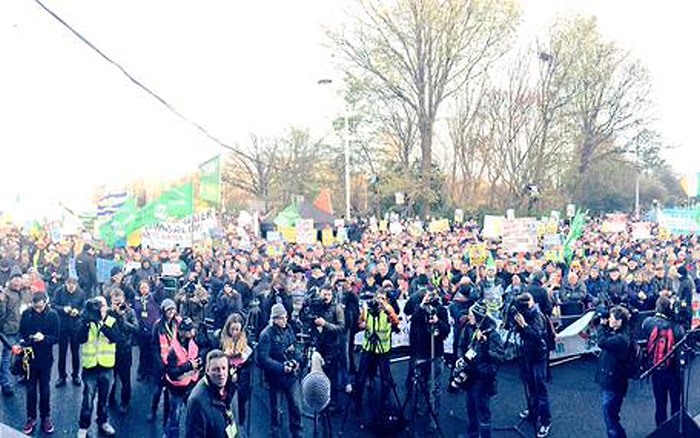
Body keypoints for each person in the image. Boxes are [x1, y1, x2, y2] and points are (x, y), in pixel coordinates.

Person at [457, 301, 506, 438]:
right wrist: (460, 359)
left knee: (483, 411)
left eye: (471, 314)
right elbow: (461, 344)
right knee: (470, 407)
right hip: (469, 374)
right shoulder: (469, 327)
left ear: (478, 316)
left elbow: (501, 357)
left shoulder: (493, 334)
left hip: (483, 378)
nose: (468, 316)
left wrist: (485, 346)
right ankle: (472, 434)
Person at [77, 296, 121, 438]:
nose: (99, 308)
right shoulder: (86, 320)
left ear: (106, 307)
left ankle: (103, 422)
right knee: (87, 400)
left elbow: (116, 338)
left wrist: (101, 323)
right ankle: (83, 427)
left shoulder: (111, 321)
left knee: (104, 399)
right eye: (97, 306)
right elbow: (79, 338)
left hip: (106, 366)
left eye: (102, 305)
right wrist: (86, 322)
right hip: (90, 367)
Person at [257, 303, 302, 438]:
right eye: (281, 318)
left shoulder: (288, 329)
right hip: (275, 377)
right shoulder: (266, 334)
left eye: (285, 317)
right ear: (274, 319)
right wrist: (282, 367)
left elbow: (295, 348)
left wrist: (296, 361)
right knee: (276, 410)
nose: (284, 320)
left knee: (296, 407)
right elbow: (263, 359)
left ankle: (298, 434)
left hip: (291, 377)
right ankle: (276, 433)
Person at [353, 287, 401, 414]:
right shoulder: (367, 308)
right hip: (369, 347)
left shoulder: (389, 310)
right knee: (361, 376)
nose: (379, 301)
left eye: (383, 299)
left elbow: (397, 324)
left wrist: (389, 313)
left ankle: (385, 402)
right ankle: (358, 402)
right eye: (378, 298)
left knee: (385, 377)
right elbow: (359, 323)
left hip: (383, 349)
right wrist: (362, 325)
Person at [403, 285, 450, 414]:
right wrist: (422, 305)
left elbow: (446, 330)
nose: (430, 298)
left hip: (436, 352)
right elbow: (413, 319)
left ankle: (434, 411)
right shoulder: (420, 309)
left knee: (435, 385)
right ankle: (421, 408)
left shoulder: (441, 310)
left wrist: (438, 322)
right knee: (421, 383)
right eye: (428, 295)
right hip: (421, 352)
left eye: (432, 295)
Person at [18, 291, 59, 435]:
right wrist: (25, 341)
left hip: (45, 358)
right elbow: (21, 333)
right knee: (30, 390)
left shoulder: (53, 315)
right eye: (36, 307)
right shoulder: (27, 314)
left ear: (45, 303)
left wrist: (44, 338)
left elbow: (56, 337)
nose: (38, 309)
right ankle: (31, 417)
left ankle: (46, 417)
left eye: (40, 307)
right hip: (29, 358)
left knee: (45, 389)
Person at [640, 296, 685, 427]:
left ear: (657, 308)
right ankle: (676, 429)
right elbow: (682, 335)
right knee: (676, 403)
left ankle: (661, 430)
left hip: (657, 369)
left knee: (660, 404)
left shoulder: (648, 322)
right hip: (674, 370)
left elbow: (643, 329)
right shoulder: (676, 327)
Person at [301, 283, 345, 413]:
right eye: (324, 294)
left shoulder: (337, 308)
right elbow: (304, 318)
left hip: (332, 345)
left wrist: (325, 324)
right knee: (317, 372)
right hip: (318, 344)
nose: (327, 297)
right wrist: (305, 307)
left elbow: (341, 328)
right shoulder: (316, 306)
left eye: (329, 294)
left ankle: (334, 402)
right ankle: (319, 399)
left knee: (332, 374)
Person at [513, 292, 552, 438]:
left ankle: (545, 421)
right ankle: (532, 411)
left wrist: (524, 325)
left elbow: (536, 336)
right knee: (530, 385)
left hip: (538, 356)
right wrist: (517, 324)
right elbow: (519, 331)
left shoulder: (538, 316)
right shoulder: (525, 312)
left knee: (540, 389)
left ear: (530, 303)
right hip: (527, 355)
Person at [596, 305, 632, 438]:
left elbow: (601, 341)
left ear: (619, 321)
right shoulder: (624, 331)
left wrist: (601, 325)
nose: (608, 320)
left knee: (611, 419)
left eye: (611, 318)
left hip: (613, 384)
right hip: (612, 380)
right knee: (611, 417)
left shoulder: (620, 339)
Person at [184, 349, 237, 438]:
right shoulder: (197, 401)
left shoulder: (228, 387)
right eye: (216, 370)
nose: (221, 373)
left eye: (224, 368)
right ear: (207, 370)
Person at [164, 318, 203, 438]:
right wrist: (189, 366)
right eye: (187, 331)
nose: (190, 333)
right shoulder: (172, 349)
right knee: (175, 418)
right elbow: (172, 373)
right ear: (180, 332)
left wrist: (199, 363)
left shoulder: (193, 342)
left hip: (190, 385)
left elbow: (197, 356)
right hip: (177, 388)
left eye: (190, 330)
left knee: (194, 417)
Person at [149, 298, 181, 423]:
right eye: (168, 309)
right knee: (158, 389)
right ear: (163, 311)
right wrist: (159, 362)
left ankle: (167, 414)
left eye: (173, 309)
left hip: (174, 362)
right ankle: (153, 410)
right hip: (161, 363)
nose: (171, 312)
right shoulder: (158, 325)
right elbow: (154, 345)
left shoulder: (178, 322)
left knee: (171, 391)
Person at [0, 272, 31, 396]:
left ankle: (18, 376)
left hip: (20, 329)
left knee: (19, 355)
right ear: (11, 281)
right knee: (7, 358)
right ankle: (5, 383)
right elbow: (1, 315)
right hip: (9, 330)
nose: (18, 283)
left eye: (20, 281)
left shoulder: (21, 292)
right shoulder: (5, 295)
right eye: (16, 281)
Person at [220, 313, 253, 433]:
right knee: (225, 403)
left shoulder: (245, 339)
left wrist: (243, 358)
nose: (234, 332)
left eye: (237, 329)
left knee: (240, 405)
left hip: (241, 375)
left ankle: (239, 428)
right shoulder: (221, 338)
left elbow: (250, 359)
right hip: (226, 374)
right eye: (232, 329)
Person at [108, 288, 138, 413]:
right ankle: (110, 399)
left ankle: (125, 401)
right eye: (115, 302)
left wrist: (123, 320)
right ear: (111, 302)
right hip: (110, 350)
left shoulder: (130, 312)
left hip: (125, 350)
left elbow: (136, 328)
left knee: (125, 378)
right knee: (111, 378)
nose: (118, 305)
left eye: (120, 302)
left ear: (124, 300)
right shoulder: (108, 313)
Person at [53, 277, 86, 387]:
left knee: (75, 352)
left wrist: (79, 312)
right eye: (69, 285)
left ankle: (76, 375)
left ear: (76, 285)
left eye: (73, 285)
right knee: (62, 353)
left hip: (75, 327)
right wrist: (63, 309)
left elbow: (84, 308)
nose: (71, 288)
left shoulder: (81, 293)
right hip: (62, 326)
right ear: (66, 284)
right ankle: (62, 376)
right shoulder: (59, 291)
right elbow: (53, 305)